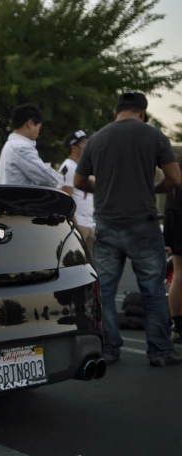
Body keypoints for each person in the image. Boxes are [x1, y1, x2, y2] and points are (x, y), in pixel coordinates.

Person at [74, 92, 182, 367]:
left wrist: (104, 189)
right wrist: (152, 188)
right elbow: (175, 179)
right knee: (154, 290)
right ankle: (159, 352)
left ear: (116, 113)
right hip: (143, 225)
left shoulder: (96, 139)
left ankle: (110, 350)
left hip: (107, 225)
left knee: (105, 292)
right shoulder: (154, 136)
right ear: (142, 113)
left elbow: (79, 180)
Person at [0, 104, 63, 188]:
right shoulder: (20, 147)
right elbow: (48, 178)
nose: (38, 134)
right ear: (30, 123)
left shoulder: (11, 145)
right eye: (39, 128)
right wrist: (61, 178)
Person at [59, 130, 95, 257]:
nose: (88, 146)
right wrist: (76, 227)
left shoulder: (79, 167)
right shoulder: (69, 167)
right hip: (79, 226)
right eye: (84, 143)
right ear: (74, 147)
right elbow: (66, 199)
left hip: (88, 224)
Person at [164, 156, 182, 343]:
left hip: (175, 211)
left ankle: (177, 325)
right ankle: (177, 324)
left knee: (179, 273)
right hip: (177, 212)